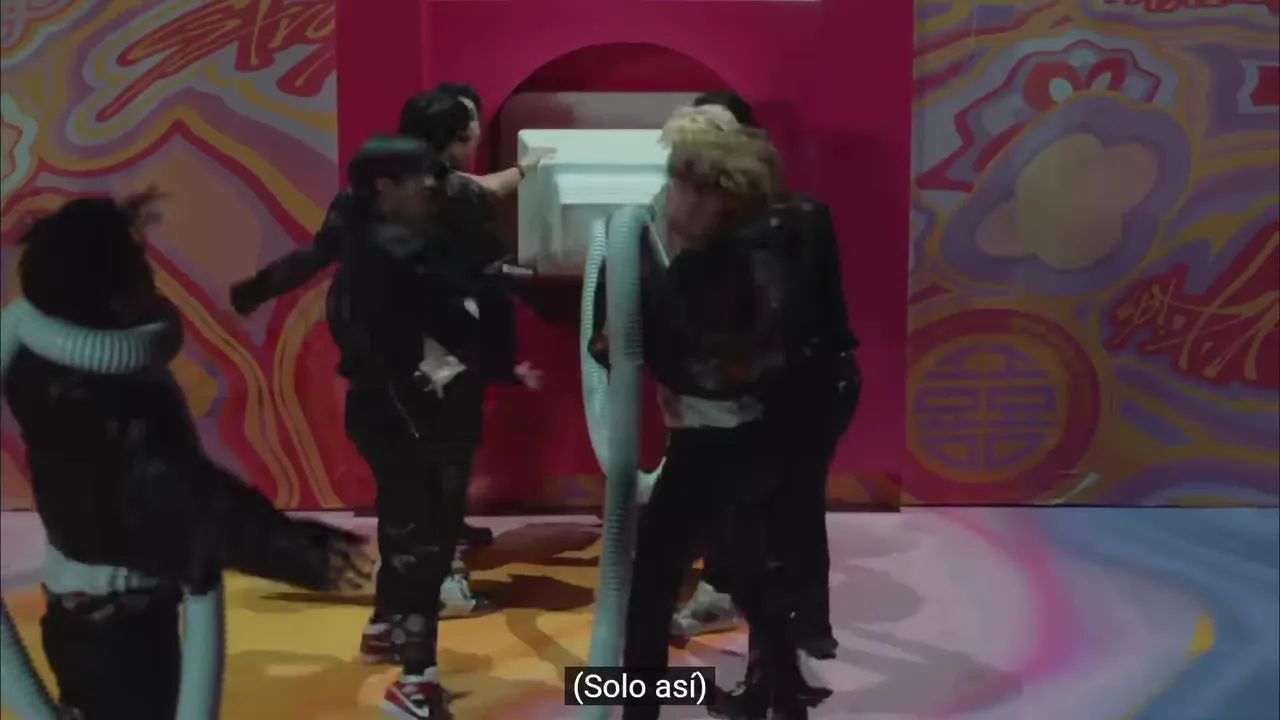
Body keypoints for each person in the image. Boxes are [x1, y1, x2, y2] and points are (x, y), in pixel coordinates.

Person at [0, 193, 370, 720]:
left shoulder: (49, 369)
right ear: (111, 292)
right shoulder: (96, 405)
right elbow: (182, 496)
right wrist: (300, 552)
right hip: (117, 632)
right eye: (138, 265)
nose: (153, 279)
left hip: (96, 614)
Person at [229, 89, 549, 600]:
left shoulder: (370, 198)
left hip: (387, 351)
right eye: (469, 128)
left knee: (413, 470)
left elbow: (316, 255)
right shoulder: (450, 199)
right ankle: (435, 580)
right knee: (434, 467)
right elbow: (482, 254)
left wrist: (256, 291)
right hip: (425, 356)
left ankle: (415, 581)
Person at [593, 125, 821, 720]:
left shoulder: (709, 270)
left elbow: (706, 365)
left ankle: (636, 710)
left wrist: (627, 330)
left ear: (717, 199)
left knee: (650, 586)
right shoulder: (763, 252)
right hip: (752, 440)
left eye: (681, 188)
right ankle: (787, 698)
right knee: (747, 574)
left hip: (712, 446)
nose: (670, 201)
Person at [338, 134, 541, 718]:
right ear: (385, 188)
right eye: (420, 178)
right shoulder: (381, 258)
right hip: (407, 415)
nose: (432, 186)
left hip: (434, 410)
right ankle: (416, 678)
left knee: (416, 531)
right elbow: (402, 335)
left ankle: (390, 631)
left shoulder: (417, 248)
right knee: (421, 540)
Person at [669, 91, 860, 662]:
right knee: (762, 503)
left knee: (781, 503)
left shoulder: (780, 225)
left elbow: (790, 316)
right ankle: (780, 623)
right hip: (770, 385)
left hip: (797, 386)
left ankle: (790, 629)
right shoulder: (722, 229)